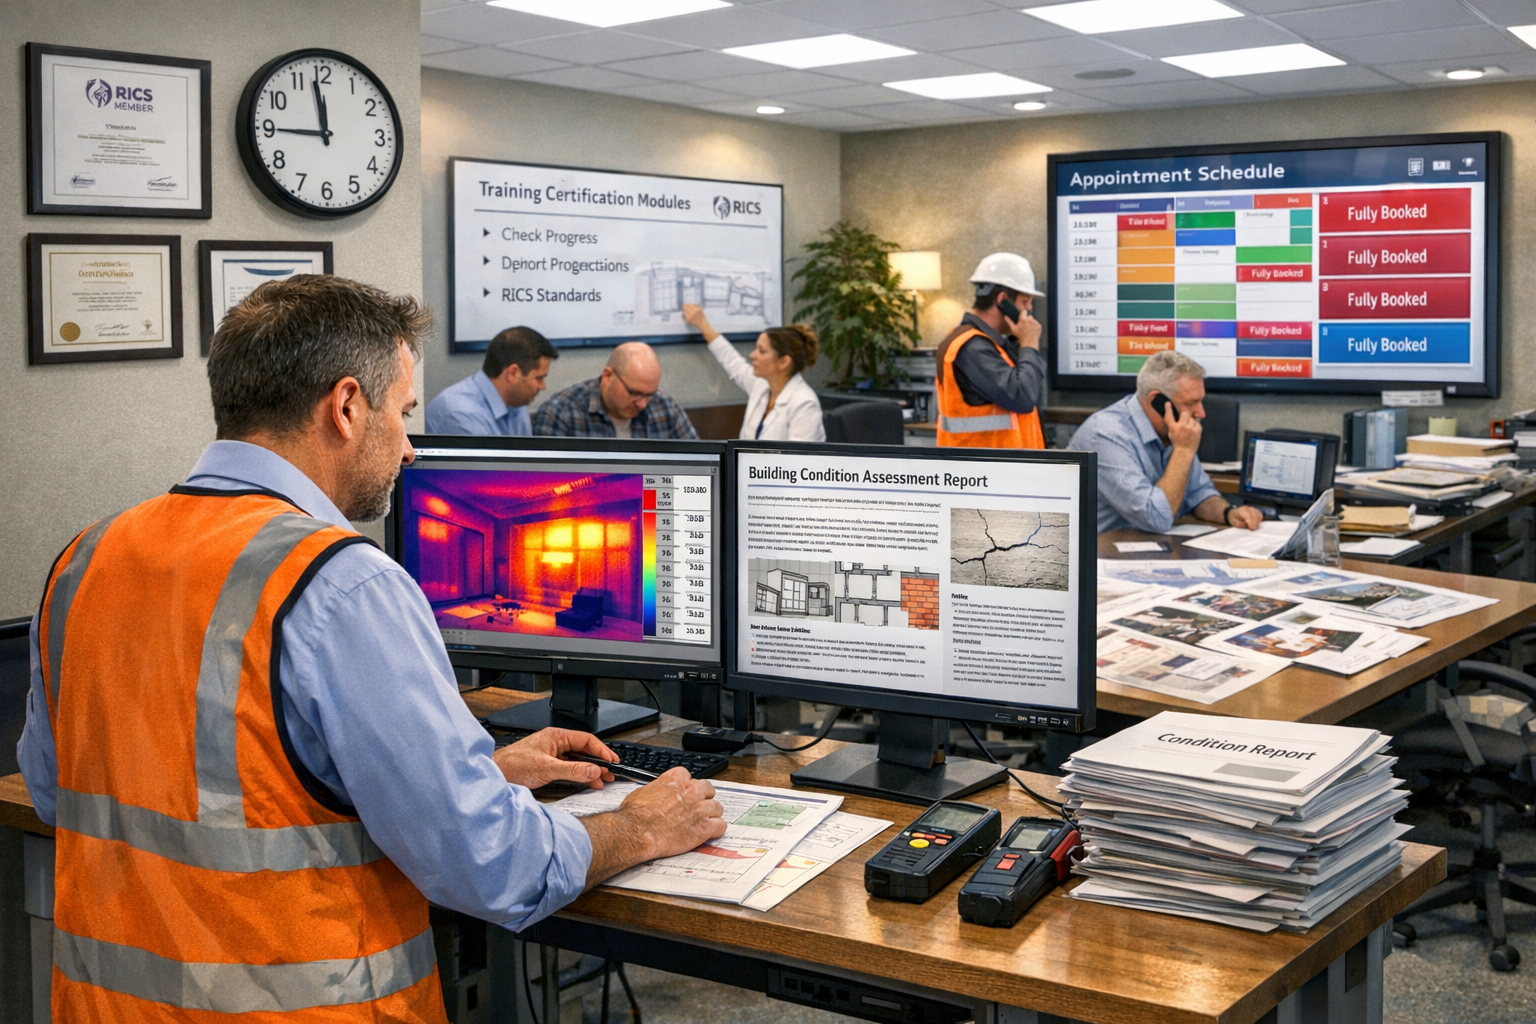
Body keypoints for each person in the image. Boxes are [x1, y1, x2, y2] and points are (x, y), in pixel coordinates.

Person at [20, 275, 724, 1019]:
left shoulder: (86, 558)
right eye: (403, 412)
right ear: (348, 407)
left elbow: (62, 788)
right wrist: (641, 826)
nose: (412, 447)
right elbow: (495, 866)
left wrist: (468, 776)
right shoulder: (342, 585)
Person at [1069, 349, 1265, 535]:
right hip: (1097, 555)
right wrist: (1183, 450)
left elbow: (1199, 493)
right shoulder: (1105, 434)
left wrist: (1228, 513)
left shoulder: (1174, 432)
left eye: (1200, 401)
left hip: (1144, 549)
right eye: (1190, 404)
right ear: (1157, 401)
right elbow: (1155, 518)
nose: (1201, 413)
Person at [935, 253, 1047, 449]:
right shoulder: (972, 348)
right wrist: (1029, 343)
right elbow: (1023, 397)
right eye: (1024, 302)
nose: (1029, 309)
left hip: (998, 471)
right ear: (1003, 299)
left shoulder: (989, 344)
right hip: (984, 474)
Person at [682, 304, 825, 441]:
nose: (752, 355)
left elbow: (799, 462)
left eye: (761, 351)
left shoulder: (804, 404)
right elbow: (731, 360)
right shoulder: (761, 386)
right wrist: (702, 323)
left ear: (784, 362)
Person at [533, 341, 698, 439]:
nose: (642, 404)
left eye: (649, 394)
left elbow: (695, 469)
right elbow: (546, 486)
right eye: (634, 393)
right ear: (607, 376)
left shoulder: (665, 406)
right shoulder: (561, 412)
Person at [424, 325, 556, 435]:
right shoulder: (461, 415)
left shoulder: (517, 404)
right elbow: (490, 467)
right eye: (539, 378)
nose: (542, 386)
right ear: (512, 373)